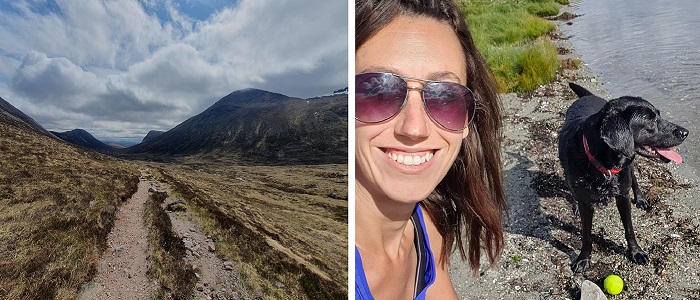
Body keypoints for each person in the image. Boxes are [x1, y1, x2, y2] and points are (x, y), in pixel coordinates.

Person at [354, 0, 508, 298]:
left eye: (445, 97)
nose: (414, 129)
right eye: (378, 92)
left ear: (467, 121)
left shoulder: (426, 225)